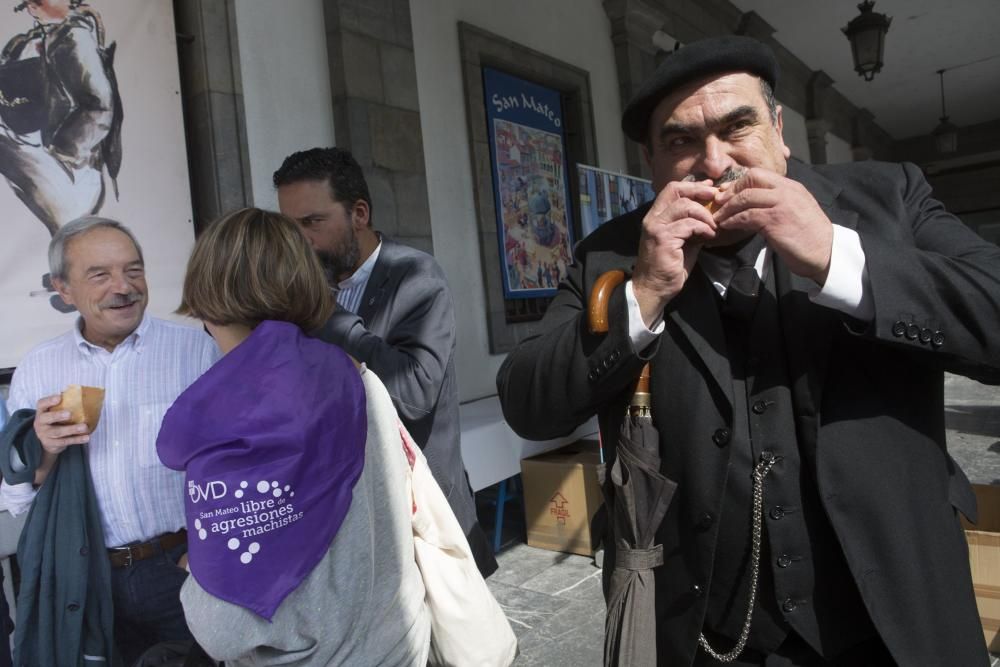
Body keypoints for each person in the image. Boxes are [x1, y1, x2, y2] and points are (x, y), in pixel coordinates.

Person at [497, 35, 1000, 666]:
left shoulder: (886, 198)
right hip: (710, 635)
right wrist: (644, 294)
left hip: (897, 620)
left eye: (738, 126)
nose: (715, 163)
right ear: (649, 159)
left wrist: (837, 258)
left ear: (779, 129)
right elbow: (528, 402)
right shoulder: (612, 252)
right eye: (681, 141)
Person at [157, 207, 430, 666]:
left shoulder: (220, 420)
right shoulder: (361, 380)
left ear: (204, 300)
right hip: (397, 646)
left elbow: (225, 628)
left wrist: (194, 575)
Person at [0, 216, 217, 665]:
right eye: (100, 275)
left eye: (133, 270)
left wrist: (199, 555)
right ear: (64, 291)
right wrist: (44, 450)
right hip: (92, 576)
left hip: (185, 566)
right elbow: (18, 495)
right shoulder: (39, 369)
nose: (124, 286)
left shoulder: (197, 351)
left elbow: (236, 461)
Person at [274, 147, 497, 577]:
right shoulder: (303, 288)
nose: (299, 241)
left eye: (312, 223)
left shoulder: (417, 277)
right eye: (289, 227)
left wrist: (326, 315)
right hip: (347, 520)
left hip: (421, 522)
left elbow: (414, 393)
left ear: (359, 213)